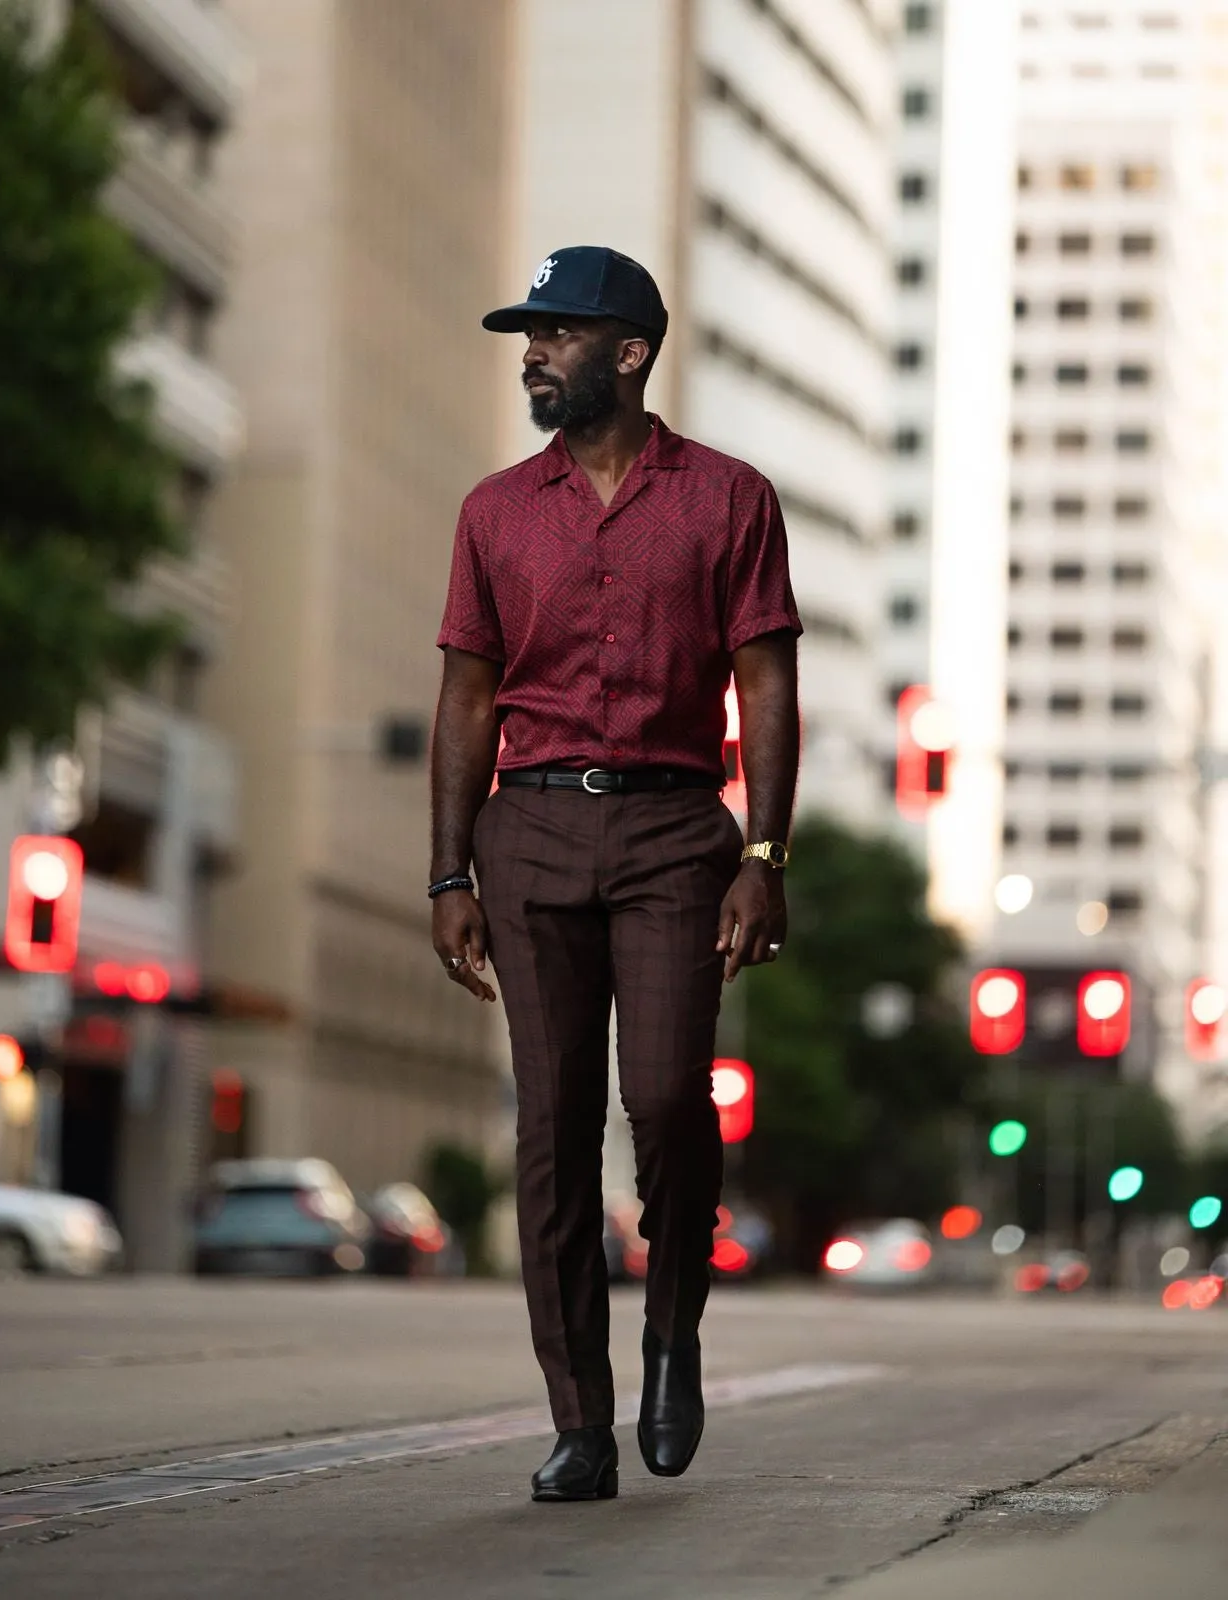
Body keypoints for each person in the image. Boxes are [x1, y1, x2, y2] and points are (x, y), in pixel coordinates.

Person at [430, 246, 801, 1502]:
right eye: (526, 333)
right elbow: (465, 697)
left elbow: (764, 681)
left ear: (628, 353)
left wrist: (762, 852)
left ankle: (670, 1333)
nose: (532, 352)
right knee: (548, 1132)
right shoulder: (493, 511)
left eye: (556, 332)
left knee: (663, 1101)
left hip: (671, 835)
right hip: (525, 836)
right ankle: (577, 1421)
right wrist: (446, 875)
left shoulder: (729, 499)